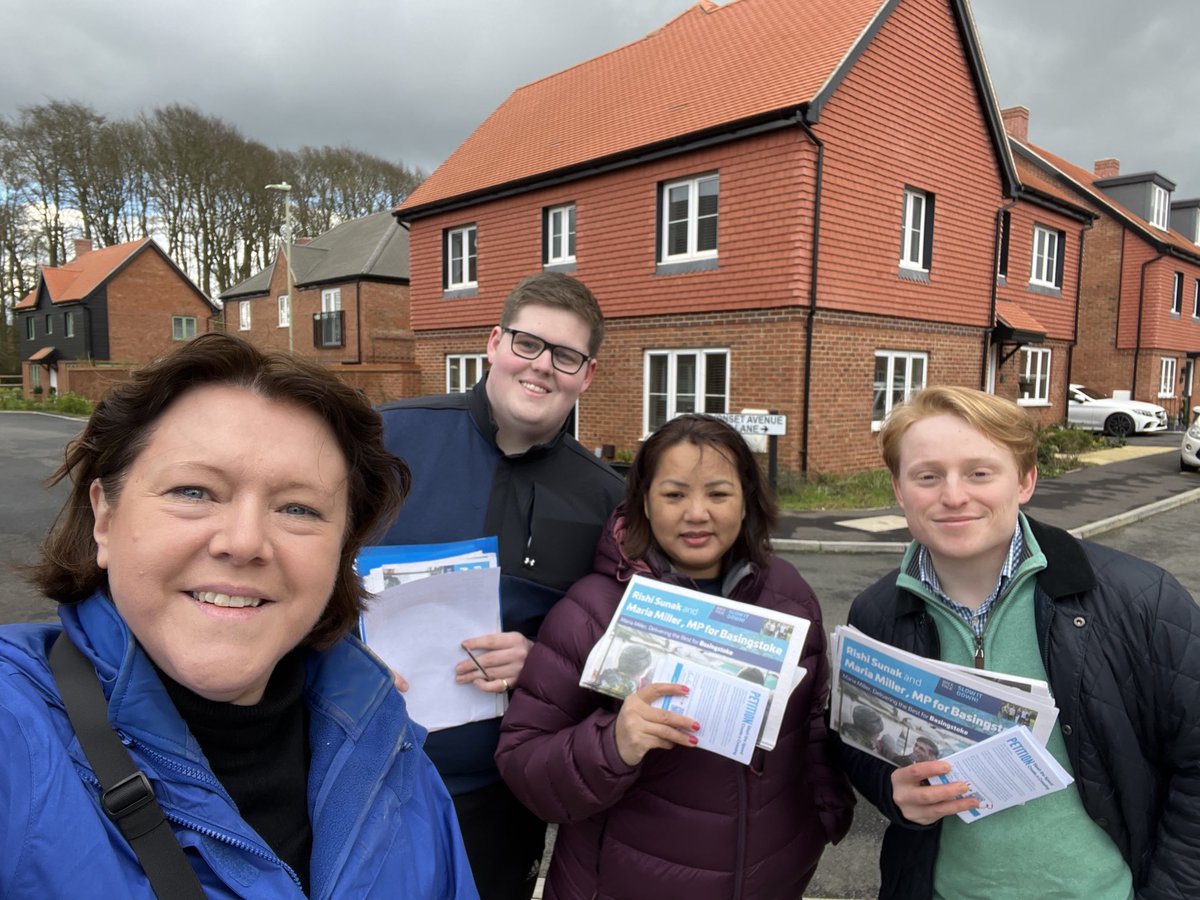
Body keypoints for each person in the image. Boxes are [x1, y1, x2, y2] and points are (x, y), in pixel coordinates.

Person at [0, 333, 477, 898]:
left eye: (298, 508)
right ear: (104, 519)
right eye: (195, 491)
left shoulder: (396, 757)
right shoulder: (14, 736)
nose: (245, 541)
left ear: (342, 551)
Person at [838, 385, 1200, 900]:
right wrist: (892, 794)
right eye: (928, 476)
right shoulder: (876, 613)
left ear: (1026, 480)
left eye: (980, 472)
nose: (954, 495)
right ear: (899, 490)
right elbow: (860, 742)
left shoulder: (1137, 600)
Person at [496, 414, 854, 899]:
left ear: (747, 499)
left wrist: (826, 806)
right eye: (674, 494)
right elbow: (523, 763)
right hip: (626, 882)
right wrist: (614, 742)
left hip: (774, 876)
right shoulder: (592, 611)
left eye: (719, 494)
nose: (697, 513)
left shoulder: (789, 594)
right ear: (643, 500)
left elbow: (811, 719)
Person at [374, 272, 625, 900]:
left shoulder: (607, 497)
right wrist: (343, 646)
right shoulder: (387, 439)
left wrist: (541, 663)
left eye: (565, 356)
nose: (542, 367)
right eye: (527, 344)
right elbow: (304, 570)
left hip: (501, 799)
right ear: (494, 342)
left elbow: (615, 651)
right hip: (368, 770)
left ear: (586, 375)